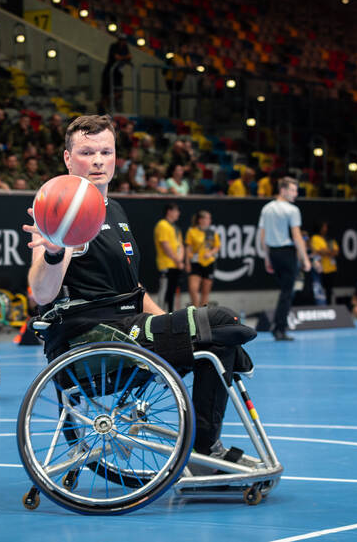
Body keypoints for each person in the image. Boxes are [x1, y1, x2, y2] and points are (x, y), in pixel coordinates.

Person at [22, 114, 255, 459]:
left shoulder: (113, 208)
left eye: (106, 151)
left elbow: (134, 291)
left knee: (220, 341)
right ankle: (205, 449)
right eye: (87, 152)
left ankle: (206, 451)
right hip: (93, 340)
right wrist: (55, 251)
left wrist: (171, 324)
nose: (98, 160)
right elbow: (41, 294)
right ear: (68, 159)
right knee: (222, 320)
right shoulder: (63, 209)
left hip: (128, 329)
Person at [259, 176, 311, 341]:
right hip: (287, 254)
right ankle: (279, 328)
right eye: (293, 190)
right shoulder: (292, 210)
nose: (296, 194)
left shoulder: (266, 208)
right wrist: (305, 259)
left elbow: (263, 236)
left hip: (273, 253)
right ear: (283, 190)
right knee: (287, 293)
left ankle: (278, 326)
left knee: (285, 291)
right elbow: (297, 236)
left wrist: (267, 258)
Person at [185, 210, 220, 307]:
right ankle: (195, 310)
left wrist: (210, 253)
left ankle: (202, 312)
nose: (209, 220)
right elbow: (188, 247)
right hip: (195, 262)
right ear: (200, 220)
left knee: (205, 291)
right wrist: (187, 262)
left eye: (209, 218)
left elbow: (217, 246)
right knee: (193, 288)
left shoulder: (212, 232)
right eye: (207, 218)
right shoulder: (192, 231)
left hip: (208, 263)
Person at [154, 202, 184, 312]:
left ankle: (171, 314)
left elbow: (180, 245)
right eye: (176, 211)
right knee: (164, 291)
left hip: (176, 265)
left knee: (172, 292)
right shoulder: (162, 225)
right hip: (166, 264)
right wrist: (177, 260)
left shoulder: (176, 228)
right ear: (169, 211)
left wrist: (180, 260)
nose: (178, 213)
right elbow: (165, 245)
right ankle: (160, 314)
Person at [310, 221, 339, 304]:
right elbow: (319, 251)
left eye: (326, 227)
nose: (325, 229)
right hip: (321, 269)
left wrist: (326, 251)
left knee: (329, 290)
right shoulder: (315, 238)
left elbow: (336, 252)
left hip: (331, 269)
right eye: (324, 227)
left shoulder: (329, 239)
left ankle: (329, 306)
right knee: (320, 290)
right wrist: (329, 251)